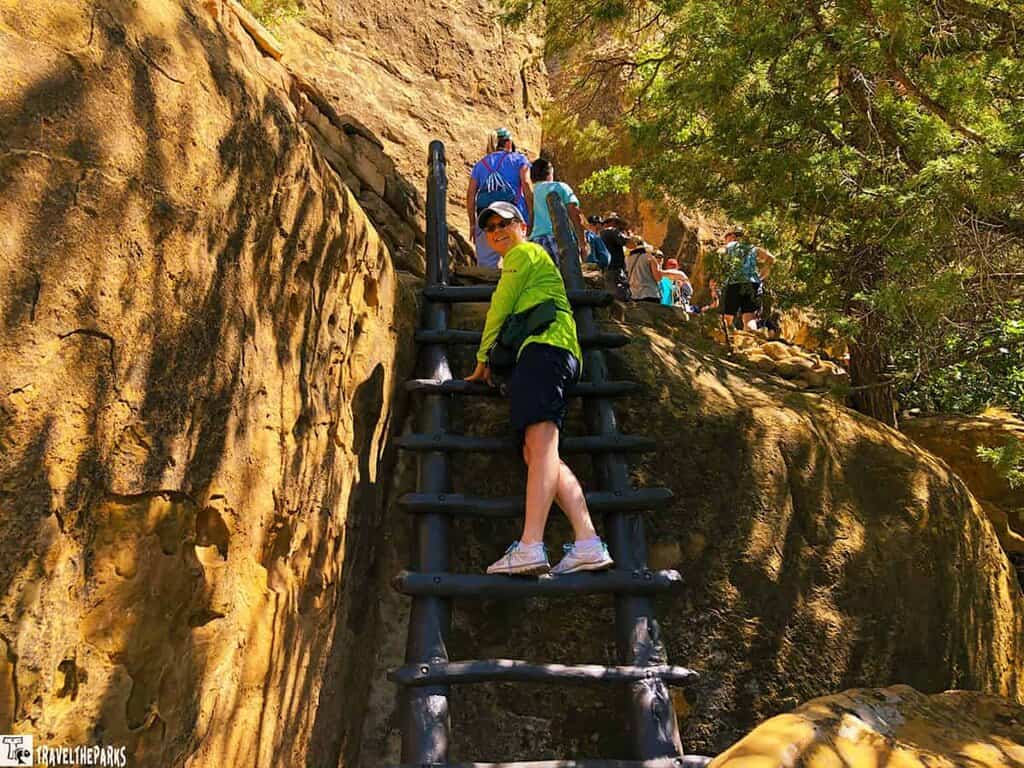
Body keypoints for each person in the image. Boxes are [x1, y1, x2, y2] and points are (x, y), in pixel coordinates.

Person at [465, 201, 613, 576]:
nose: (497, 231)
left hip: (545, 350)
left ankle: (531, 545)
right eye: (490, 227)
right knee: (538, 452)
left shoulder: (524, 253)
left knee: (542, 444)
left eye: (504, 223)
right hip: (555, 352)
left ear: (524, 226)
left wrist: (483, 357)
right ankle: (587, 541)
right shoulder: (529, 257)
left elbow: (500, 305)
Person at [466, 128, 533, 269]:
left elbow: (471, 194)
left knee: (486, 266)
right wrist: (531, 213)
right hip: (512, 214)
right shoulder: (518, 159)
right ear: (508, 143)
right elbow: (526, 184)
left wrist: (473, 224)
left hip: (486, 217)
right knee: (519, 262)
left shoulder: (480, 165)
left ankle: (487, 290)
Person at [526, 157, 589, 263]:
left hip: (534, 244)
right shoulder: (559, 187)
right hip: (558, 240)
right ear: (550, 173)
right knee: (564, 278)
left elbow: (531, 218)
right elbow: (576, 215)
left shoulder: (530, 192)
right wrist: (583, 244)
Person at [717, 226, 775, 330]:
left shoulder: (731, 245)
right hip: (752, 283)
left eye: (726, 238)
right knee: (749, 319)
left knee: (727, 317)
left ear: (732, 236)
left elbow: (719, 253)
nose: (725, 241)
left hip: (735, 282)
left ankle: (726, 341)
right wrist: (762, 275)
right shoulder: (752, 248)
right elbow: (771, 258)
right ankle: (749, 341)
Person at [625, 242, 691, 303]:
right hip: (649, 294)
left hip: (633, 295)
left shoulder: (627, 259)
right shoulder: (649, 257)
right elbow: (658, 277)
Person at [599, 213, 639, 300]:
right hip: (616, 271)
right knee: (622, 298)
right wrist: (632, 237)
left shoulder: (600, 234)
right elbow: (631, 244)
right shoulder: (612, 231)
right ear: (613, 222)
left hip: (605, 271)